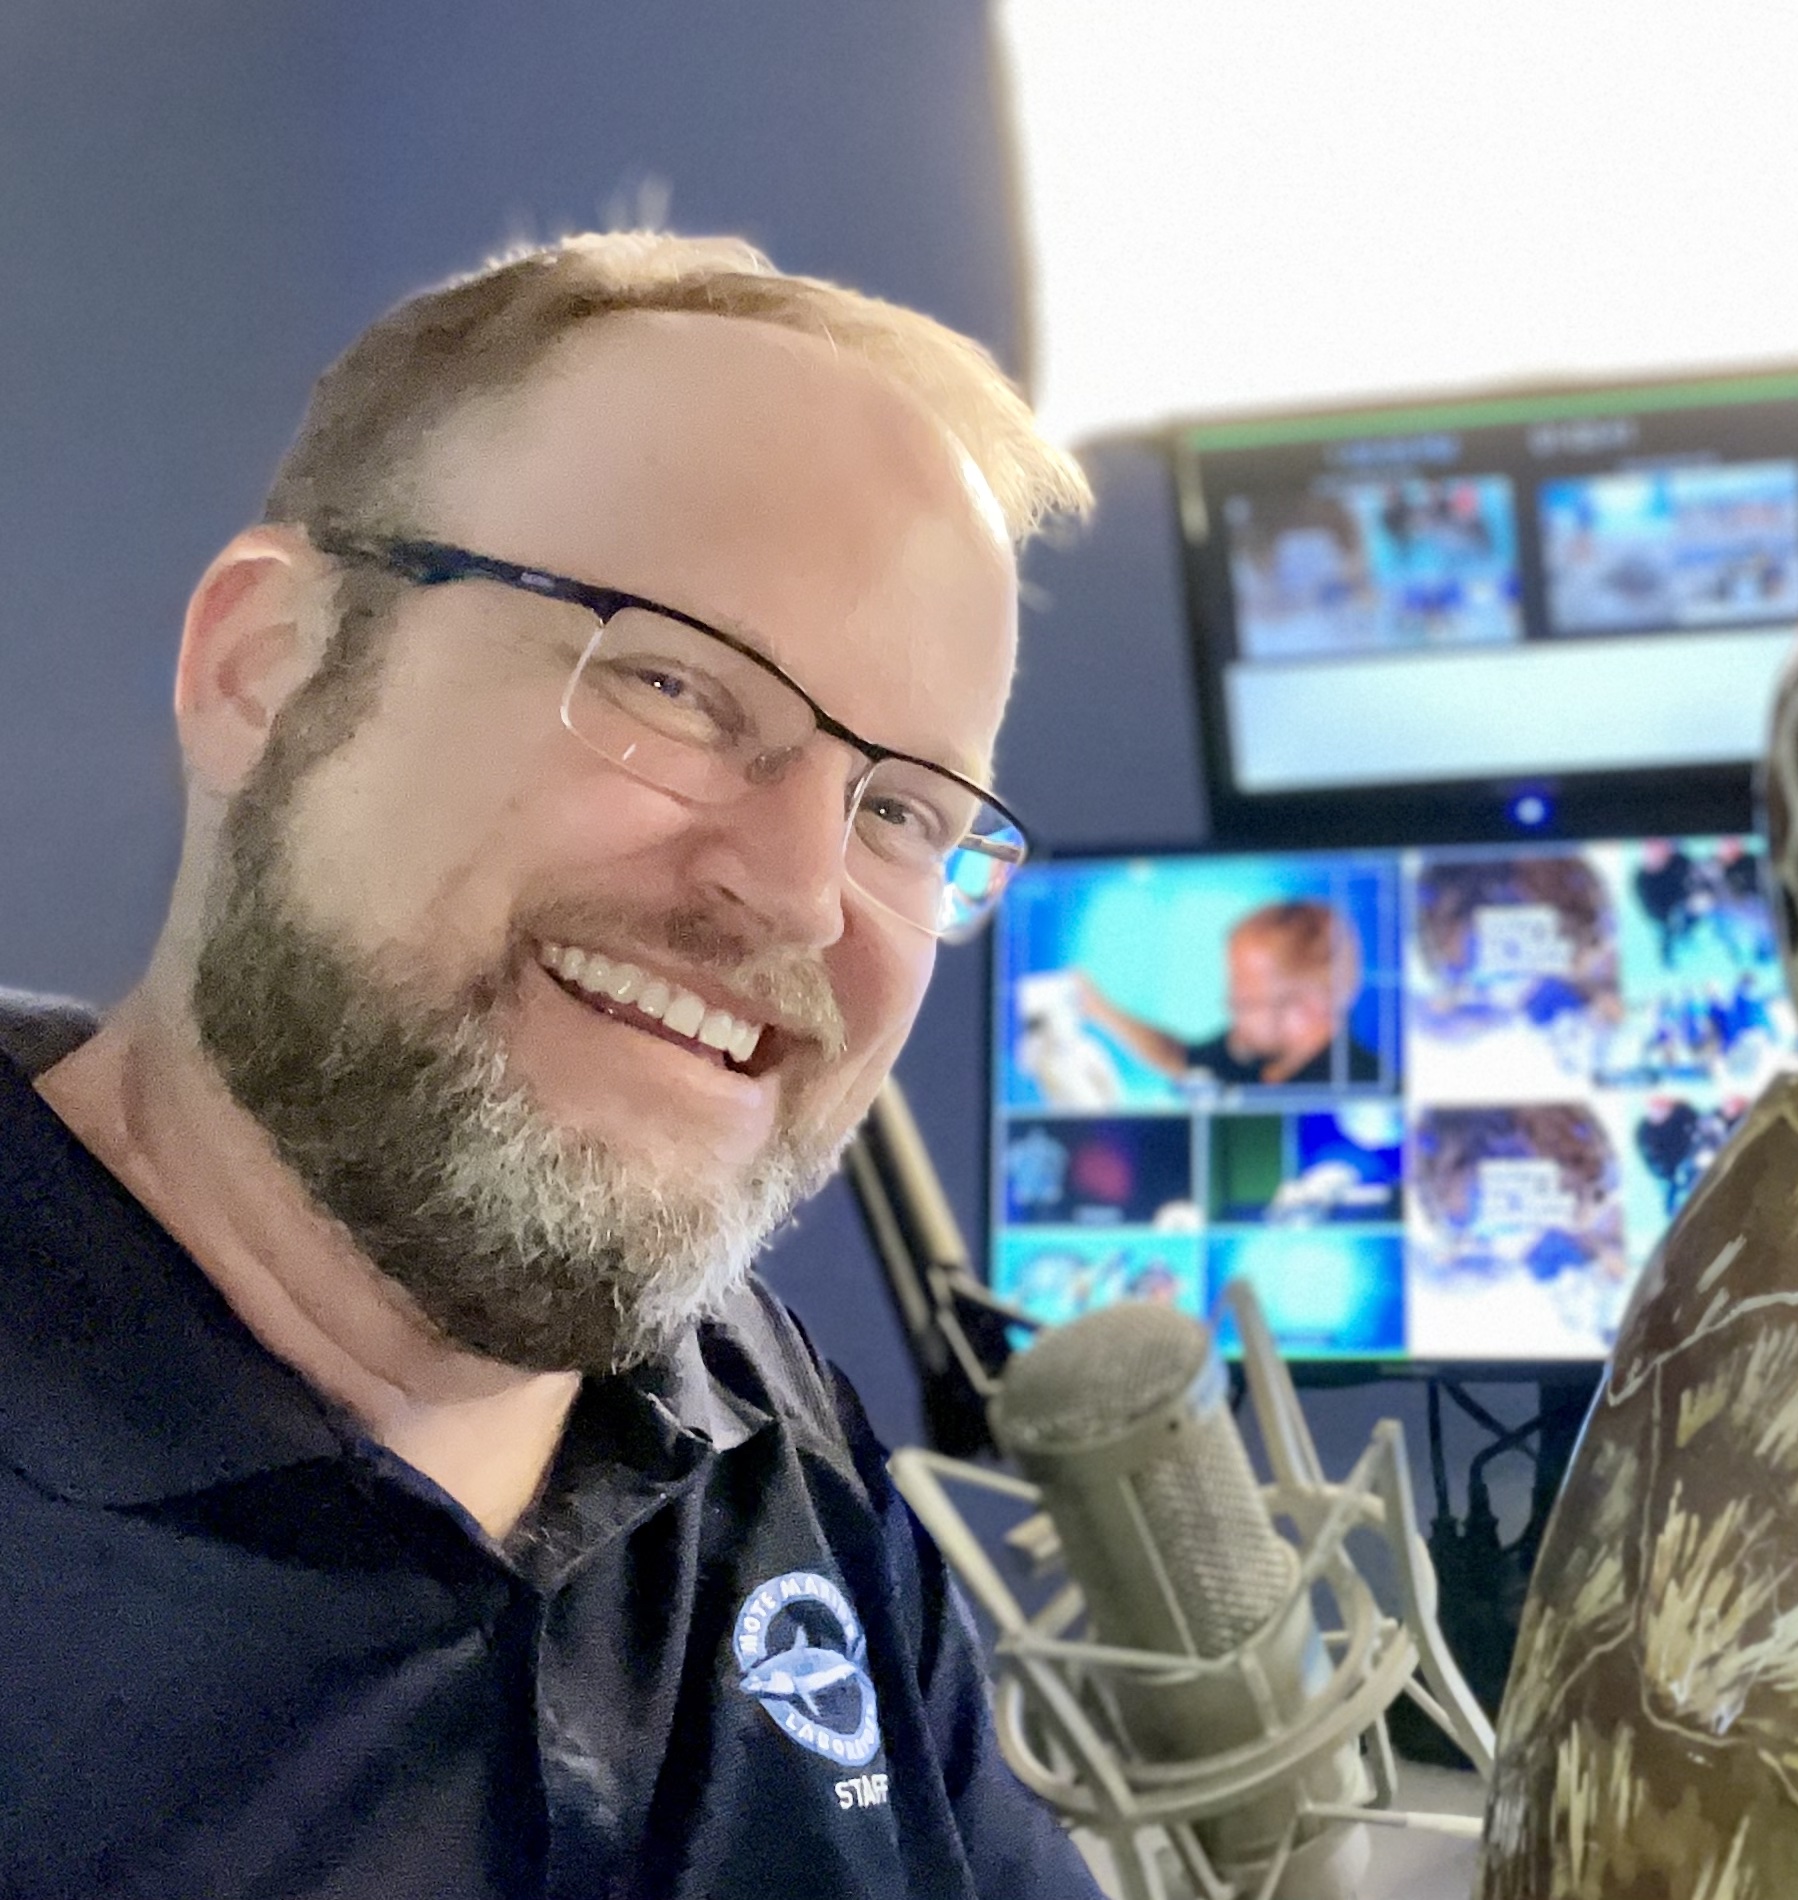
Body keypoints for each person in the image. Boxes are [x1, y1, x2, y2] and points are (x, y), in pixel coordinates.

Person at [0, 232, 1107, 1898]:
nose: (799, 893)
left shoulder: (764, 1440)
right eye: (675, 681)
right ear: (265, 669)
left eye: (902, 812)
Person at [1071, 899, 1377, 1089]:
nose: (1231, 1011)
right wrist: (1099, 1009)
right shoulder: (1253, 1056)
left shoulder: (1363, 1083)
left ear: (1309, 1006)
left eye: (1244, 1000)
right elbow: (1180, 1057)